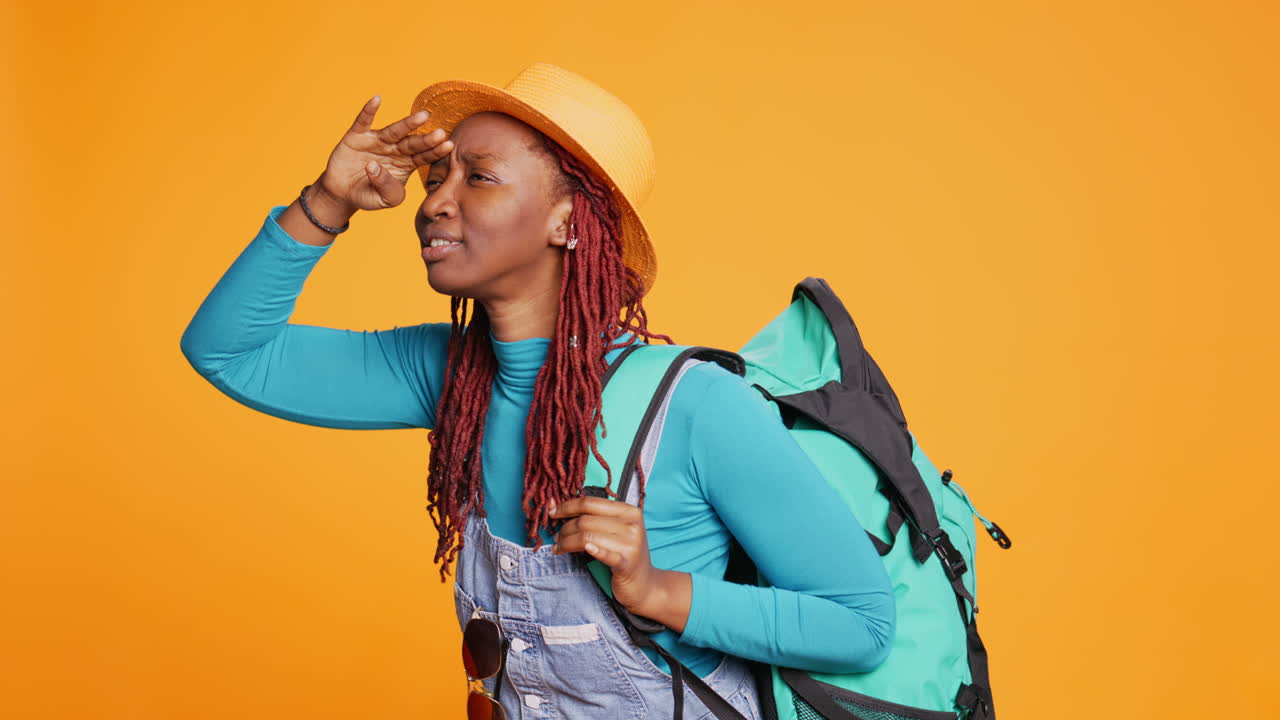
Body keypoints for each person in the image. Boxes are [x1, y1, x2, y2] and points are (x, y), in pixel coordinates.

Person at [180, 63, 895, 720]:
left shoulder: (697, 404)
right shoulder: (449, 376)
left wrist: (657, 592)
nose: (435, 203)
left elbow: (861, 625)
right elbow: (228, 352)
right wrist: (328, 200)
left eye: (478, 178)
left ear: (566, 221)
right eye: (436, 180)